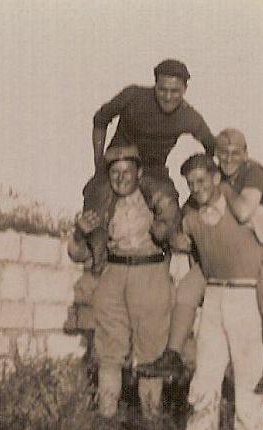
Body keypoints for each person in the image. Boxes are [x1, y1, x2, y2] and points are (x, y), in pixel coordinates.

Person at [138, 128, 263, 393]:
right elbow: (181, 229)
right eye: (222, 153)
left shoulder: (251, 172)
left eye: (235, 153)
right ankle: (173, 355)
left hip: (260, 248)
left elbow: (247, 213)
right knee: (186, 291)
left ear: (245, 154)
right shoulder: (203, 189)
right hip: (222, 260)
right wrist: (171, 236)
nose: (228, 158)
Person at [64, 58, 214, 333]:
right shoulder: (133, 96)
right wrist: (100, 164)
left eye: (175, 91)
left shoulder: (189, 116)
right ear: (154, 85)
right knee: (97, 199)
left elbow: (210, 145)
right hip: (120, 162)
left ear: (184, 91)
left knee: (170, 204)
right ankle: (96, 270)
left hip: (153, 171)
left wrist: (205, 184)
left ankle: (164, 276)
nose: (168, 96)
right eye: (163, 89)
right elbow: (100, 118)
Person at [66, 144, 180, 419]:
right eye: (114, 172)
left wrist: (165, 229)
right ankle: (107, 419)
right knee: (109, 350)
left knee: (151, 352)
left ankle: (150, 422)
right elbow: (77, 254)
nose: (120, 178)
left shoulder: (157, 199)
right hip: (113, 275)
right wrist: (81, 233)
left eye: (127, 171)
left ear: (139, 172)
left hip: (150, 274)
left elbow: (177, 235)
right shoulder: (102, 204)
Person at [172, 153, 263, 430]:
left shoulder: (248, 209)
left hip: (246, 295)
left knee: (248, 373)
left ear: (217, 178)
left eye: (202, 180)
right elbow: (185, 243)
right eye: (191, 184)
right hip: (214, 296)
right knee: (206, 370)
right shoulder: (193, 214)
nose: (197, 188)